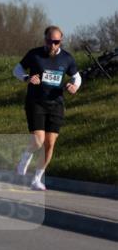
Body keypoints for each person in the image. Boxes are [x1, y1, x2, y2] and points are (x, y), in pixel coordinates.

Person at [13, 25, 81, 191]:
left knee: (50, 144)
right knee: (38, 140)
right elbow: (17, 68)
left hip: (56, 104)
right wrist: (27, 77)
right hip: (35, 102)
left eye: (56, 42)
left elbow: (76, 77)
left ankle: (37, 179)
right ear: (45, 40)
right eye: (50, 41)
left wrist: (74, 86)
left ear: (60, 41)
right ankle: (25, 157)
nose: (52, 45)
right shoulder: (34, 54)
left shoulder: (67, 58)